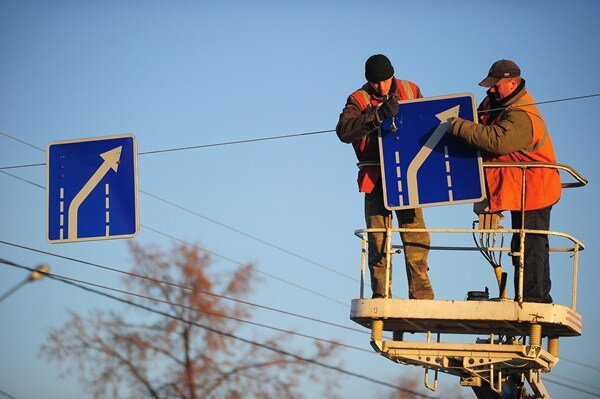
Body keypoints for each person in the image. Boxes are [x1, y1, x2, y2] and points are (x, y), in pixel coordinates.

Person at [448, 59, 562, 303]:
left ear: (513, 82)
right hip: (519, 188)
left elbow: (496, 141)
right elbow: (479, 123)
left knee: (531, 243)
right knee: (523, 243)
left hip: (535, 189)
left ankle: (534, 299)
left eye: (495, 84)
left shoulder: (523, 115)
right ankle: (531, 295)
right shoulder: (496, 103)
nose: (489, 89)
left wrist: (456, 127)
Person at [336, 54, 433, 300]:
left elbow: (429, 123)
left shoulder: (412, 90)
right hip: (376, 177)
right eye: (375, 82)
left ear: (393, 75)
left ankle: (421, 292)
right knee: (378, 238)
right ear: (368, 81)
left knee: (415, 233)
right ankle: (381, 294)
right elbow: (345, 131)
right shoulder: (358, 99)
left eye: (385, 80)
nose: (380, 86)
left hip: (409, 175)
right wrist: (377, 115)